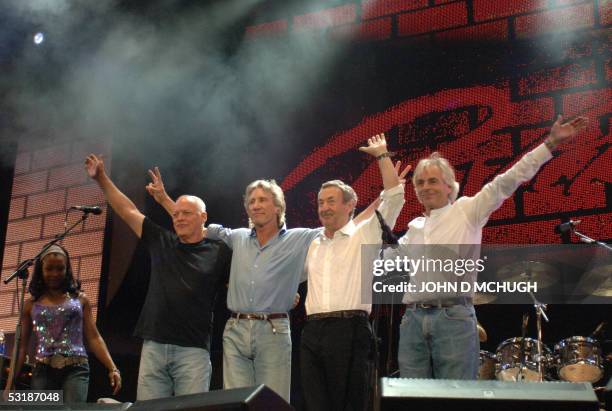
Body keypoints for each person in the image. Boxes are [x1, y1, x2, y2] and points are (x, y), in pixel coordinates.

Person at [146, 137, 395, 403]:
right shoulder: (236, 236)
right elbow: (191, 224)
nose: (255, 205)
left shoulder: (302, 238)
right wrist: (164, 200)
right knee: (236, 402)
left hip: (274, 330)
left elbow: (347, 227)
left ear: (278, 207)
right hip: (236, 330)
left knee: (273, 404)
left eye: (262, 199)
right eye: (251, 200)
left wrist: (380, 197)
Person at [396, 115, 588, 379]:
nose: (425, 187)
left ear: (448, 186)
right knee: (410, 397)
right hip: (413, 321)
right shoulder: (413, 228)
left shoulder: (466, 210)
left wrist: (550, 144)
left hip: (453, 317)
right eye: (420, 183)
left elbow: (506, 181)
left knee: (457, 397)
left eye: (432, 181)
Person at [85, 154, 231, 400]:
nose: (179, 217)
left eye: (186, 213)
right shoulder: (161, 240)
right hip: (154, 345)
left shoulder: (220, 252)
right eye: (177, 214)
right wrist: (101, 178)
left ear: (203, 217)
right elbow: (126, 209)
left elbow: (240, 282)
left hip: (193, 350)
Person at [300, 134, 407, 411]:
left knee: (351, 405)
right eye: (321, 202)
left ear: (349, 206)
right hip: (312, 332)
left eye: (331, 201)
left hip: (349, 330)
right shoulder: (313, 244)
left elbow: (394, 198)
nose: (324, 207)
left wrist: (382, 156)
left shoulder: (365, 235)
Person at [4, 244, 120, 403]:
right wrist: (10, 384)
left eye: (60, 268)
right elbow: (22, 346)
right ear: (41, 270)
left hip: (76, 369)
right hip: (43, 370)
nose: (55, 273)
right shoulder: (30, 304)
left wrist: (112, 367)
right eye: (49, 269)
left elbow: (94, 337)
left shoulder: (80, 299)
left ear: (67, 270)